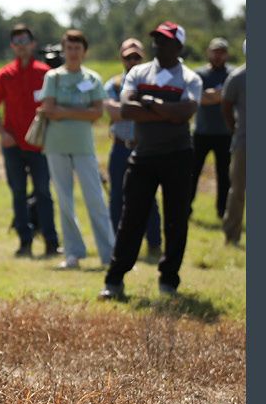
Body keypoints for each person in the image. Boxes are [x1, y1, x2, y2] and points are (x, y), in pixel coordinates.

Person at [100, 22, 203, 300]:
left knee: (175, 221)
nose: (158, 45)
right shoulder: (138, 72)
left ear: (179, 46)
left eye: (165, 41)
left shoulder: (190, 78)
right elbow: (126, 110)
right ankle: (115, 280)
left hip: (178, 157)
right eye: (156, 40)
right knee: (130, 220)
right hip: (143, 156)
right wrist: (168, 111)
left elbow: (186, 112)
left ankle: (169, 280)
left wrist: (149, 102)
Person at [39, 30, 113, 270]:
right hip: (56, 145)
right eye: (69, 48)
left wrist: (65, 112)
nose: (73, 53)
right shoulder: (53, 77)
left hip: (83, 146)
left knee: (96, 199)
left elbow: (97, 112)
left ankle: (109, 253)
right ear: (64, 50)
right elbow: (49, 109)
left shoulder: (92, 78)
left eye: (77, 48)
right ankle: (73, 253)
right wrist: (77, 112)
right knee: (64, 199)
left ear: (84, 51)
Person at [0, 24, 60, 257]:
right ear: (12, 46)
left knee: (43, 193)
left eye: (25, 41)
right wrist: (2, 134)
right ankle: (24, 242)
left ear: (33, 44)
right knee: (18, 193)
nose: (21, 46)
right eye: (17, 42)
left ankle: (51, 242)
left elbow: (54, 106)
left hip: (39, 145)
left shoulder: (45, 73)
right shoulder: (5, 75)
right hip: (13, 146)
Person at [104, 38, 161, 260]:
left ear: (143, 57)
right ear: (122, 58)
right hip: (120, 147)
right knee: (117, 197)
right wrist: (141, 108)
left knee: (149, 199)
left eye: (137, 56)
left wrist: (126, 107)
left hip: (145, 148)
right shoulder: (115, 84)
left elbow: (155, 112)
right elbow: (112, 111)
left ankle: (154, 245)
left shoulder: (153, 81)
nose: (133, 60)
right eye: (129, 57)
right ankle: (116, 245)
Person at [190, 37, 232, 218]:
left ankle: (222, 211)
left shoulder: (232, 74)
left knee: (224, 176)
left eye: (221, 52)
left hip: (225, 133)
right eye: (215, 52)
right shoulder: (199, 75)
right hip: (202, 133)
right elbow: (201, 98)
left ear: (226, 54)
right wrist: (222, 94)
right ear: (209, 52)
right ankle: (186, 208)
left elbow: (231, 98)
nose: (218, 55)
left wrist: (213, 95)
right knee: (192, 173)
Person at [221, 48, 246, 246]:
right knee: (238, 189)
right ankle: (232, 235)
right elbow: (226, 106)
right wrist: (235, 129)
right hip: (244, 142)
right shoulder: (237, 78)